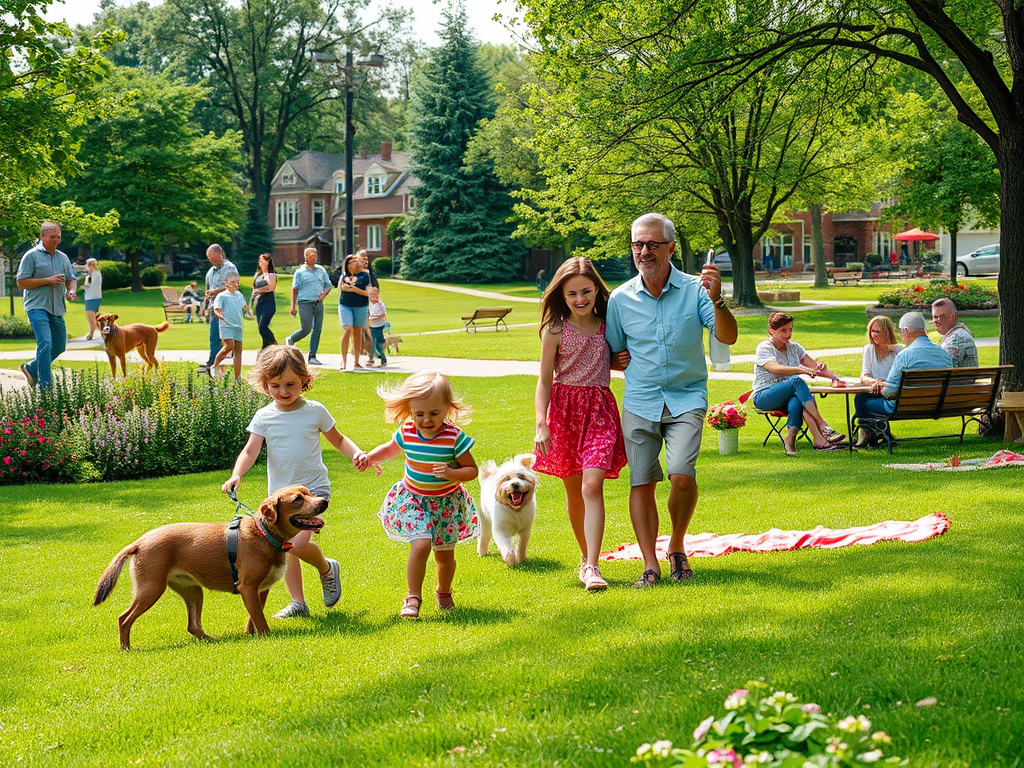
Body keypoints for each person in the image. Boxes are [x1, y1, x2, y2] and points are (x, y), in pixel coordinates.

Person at [605, 212, 738, 588]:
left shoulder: (698, 290)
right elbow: (613, 352)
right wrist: (617, 360)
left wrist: (719, 300)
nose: (644, 252)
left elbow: (727, 337)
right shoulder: (620, 299)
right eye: (637, 245)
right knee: (641, 481)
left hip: (685, 398)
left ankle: (677, 544)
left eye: (652, 244)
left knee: (681, 475)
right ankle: (650, 564)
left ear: (670, 248)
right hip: (640, 401)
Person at [223, 345, 369, 618]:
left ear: (305, 379)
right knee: (285, 547)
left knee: (296, 545)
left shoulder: (315, 411)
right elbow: (250, 450)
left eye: (290, 384)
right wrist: (236, 474)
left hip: (313, 489)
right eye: (275, 385)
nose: (283, 391)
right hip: (282, 497)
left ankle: (326, 568)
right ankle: (298, 603)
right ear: (264, 385)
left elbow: (337, 439)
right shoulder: (264, 416)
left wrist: (357, 453)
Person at [534, 257, 627, 591]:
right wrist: (541, 423)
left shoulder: (608, 323)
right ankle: (586, 559)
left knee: (592, 485)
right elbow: (544, 381)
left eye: (586, 291)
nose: (579, 299)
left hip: (600, 410)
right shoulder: (555, 329)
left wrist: (620, 360)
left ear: (596, 290)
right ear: (561, 294)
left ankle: (592, 564)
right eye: (571, 293)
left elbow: (613, 358)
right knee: (574, 492)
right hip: (564, 413)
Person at [364, 372, 479, 620]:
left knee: (445, 557)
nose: (426, 420)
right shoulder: (407, 431)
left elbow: (472, 471)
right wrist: (369, 458)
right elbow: (388, 450)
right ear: (410, 410)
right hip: (413, 499)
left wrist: (451, 471)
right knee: (421, 543)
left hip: (446, 504)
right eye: (419, 414)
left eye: (434, 413)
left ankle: (444, 592)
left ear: (448, 408)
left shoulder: (453, 438)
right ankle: (413, 597)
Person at [752, 313, 848, 455]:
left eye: (790, 329)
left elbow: (814, 368)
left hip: (788, 396)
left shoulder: (794, 348)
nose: (788, 334)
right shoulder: (765, 347)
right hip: (765, 395)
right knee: (796, 381)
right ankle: (822, 424)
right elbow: (775, 368)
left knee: (798, 401)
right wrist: (801, 370)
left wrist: (833, 376)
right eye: (784, 330)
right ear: (772, 331)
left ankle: (800, 441)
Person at [853, 312, 954, 447]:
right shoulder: (944, 355)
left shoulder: (904, 355)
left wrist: (880, 386)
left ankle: (871, 435)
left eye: (901, 332)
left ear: (906, 331)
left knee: (861, 399)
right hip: (939, 405)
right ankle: (878, 434)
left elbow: (890, 392)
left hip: (904, 407)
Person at [16, 221, 77, 388]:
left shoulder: (63, 257)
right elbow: (21, 283)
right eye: (52, 237)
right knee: (45, 342)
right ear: (42, 236)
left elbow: (71, 278)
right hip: (36, 307)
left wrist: (71, 291)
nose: (56, 240)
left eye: (58, 237)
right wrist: (48, 280)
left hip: (57, 307)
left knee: (59, 345)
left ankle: (32, 366)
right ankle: (45, 385)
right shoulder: (31, 256)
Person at [284, 247, 331, 366]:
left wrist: (324, 294)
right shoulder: (300, 272)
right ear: (305, 257)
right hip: (305, 302)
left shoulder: (321, 270)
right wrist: (292, 306)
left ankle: (312, 356)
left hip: (318, 303)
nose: (313, 257)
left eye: (315, 255)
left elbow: (328, 285)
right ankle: (291, 339)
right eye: (310, 255)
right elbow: (295, 289)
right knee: (306, 328)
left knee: (318, 329)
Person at [200, 244, 238, 373]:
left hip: (227, 308)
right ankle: (212, 363)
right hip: (213, 308)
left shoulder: (230, 268)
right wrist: (205, 306)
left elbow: (235, 286)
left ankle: (223, 362)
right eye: (209, 258)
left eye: (214, 258)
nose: (211, 260)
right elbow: (207, 288)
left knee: (227, 338)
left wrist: (217, 291)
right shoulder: (210, 271)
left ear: (220, 254)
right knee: (214, 337)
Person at [338, 253, 371, 370]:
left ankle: (356, 361)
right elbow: (343, 288)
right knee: (348, 329)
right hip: (345, 305)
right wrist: (353, 289)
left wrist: (353, 289)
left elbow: (367, 293)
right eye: (353, 262)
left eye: (358, 261)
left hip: (361, 306)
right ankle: (344, 361)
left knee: (358, 332)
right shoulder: (344, 276)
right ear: (347, 265)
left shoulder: (365, 276)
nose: (357, 263)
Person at [212, 276, 247, 379]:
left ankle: (237, 377)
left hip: (238, 326)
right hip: (226, 325)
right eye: (232, 282)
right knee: (229, 346)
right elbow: (217, 309)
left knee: (238, 350)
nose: (236, 284)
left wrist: (249, 313)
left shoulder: (239, 295)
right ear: (226, 284)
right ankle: (214, 366)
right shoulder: (222, 296)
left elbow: (244, 307)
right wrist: (219, 315)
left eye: (237, 282)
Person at [931, 298, 978, 368]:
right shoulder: (955, 333)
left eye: (942, 316)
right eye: (935, 317)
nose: (937, 321)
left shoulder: (959, 338)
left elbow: (941, 364)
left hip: (958, 378)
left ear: (954, 316)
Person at [860, 316, 904, 390]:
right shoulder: (868, 349)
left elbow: (900, 378)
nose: (874, 335)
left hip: (891, 391)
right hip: (875, 389)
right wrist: (877, 382)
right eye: (872, 331)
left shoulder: (899, 350)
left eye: (878, 332)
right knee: (860, 398)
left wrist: (885, 384)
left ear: (887, 333)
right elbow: (864, 376)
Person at [251, 253, 278, 350]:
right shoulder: (258, 275)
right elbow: (253, 289)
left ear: (268, 262)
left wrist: (258, 291)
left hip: (268, 303)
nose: (261, 263)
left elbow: (270, 288)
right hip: (259, 303)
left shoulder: (271, 275)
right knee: (260, 328)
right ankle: (265, 348)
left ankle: (274, 343)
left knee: (263, 327)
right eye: (260, 261)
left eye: (263, 261)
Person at [367, 285, 388, 367]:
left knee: (378, 343)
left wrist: (374, 318)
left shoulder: (380, 304)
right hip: (371, 326)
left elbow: (383, 314)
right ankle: (371, 358)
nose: (372, 298)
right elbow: (368, 312)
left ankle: (382, 356)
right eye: (371, 296)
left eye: (374, 296)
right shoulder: (369, 304)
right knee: (372, 343)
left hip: (379, 326)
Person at [81, 258, 103, 340]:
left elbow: (90, 285)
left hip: (93, 297)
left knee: (91, 318)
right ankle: (100, 332)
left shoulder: (96, 275)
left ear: (92, 265)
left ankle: (91, 334)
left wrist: (80, 284)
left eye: (87, 265)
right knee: (93, 317)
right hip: (89, 297)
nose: (86, 266)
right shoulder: (89, 275)